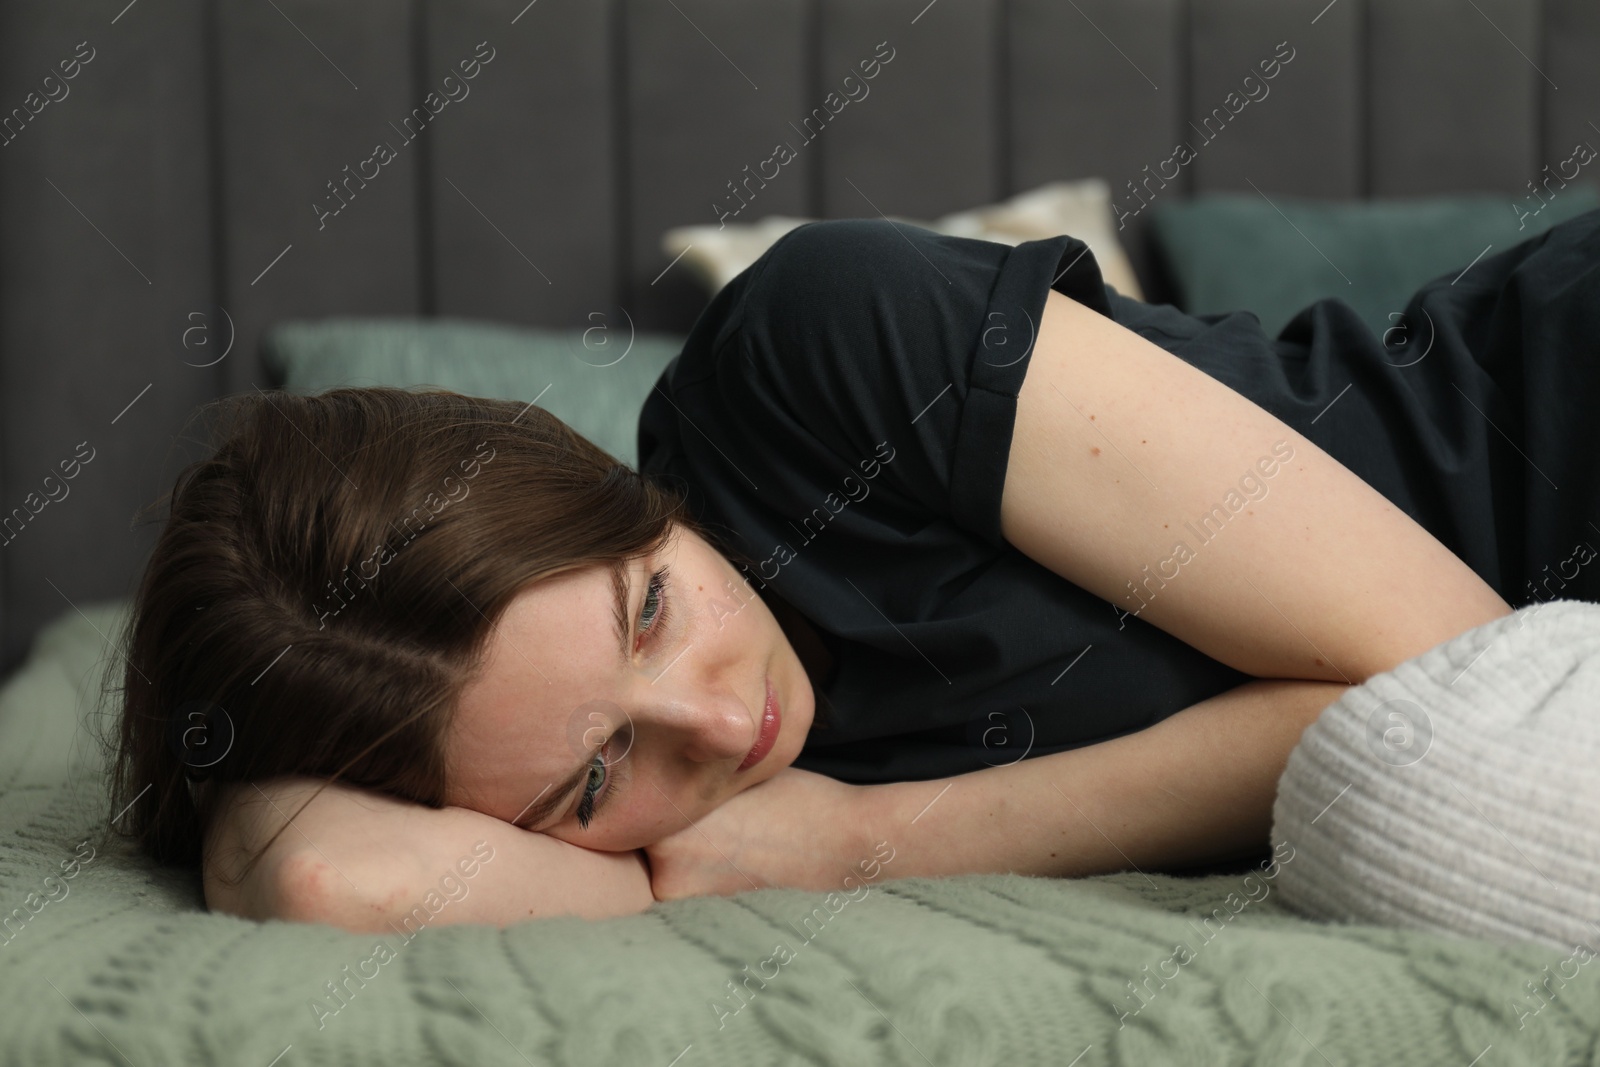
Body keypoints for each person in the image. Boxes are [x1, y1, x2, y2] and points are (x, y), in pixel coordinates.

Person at [105, 210, 1599, 931]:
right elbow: (308, 870)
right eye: (597, 776)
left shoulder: (820, 357)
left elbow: (1456, 683)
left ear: (617, 492)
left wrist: (871, 843)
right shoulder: (660, 816)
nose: (717, 722)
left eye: (652, 605)